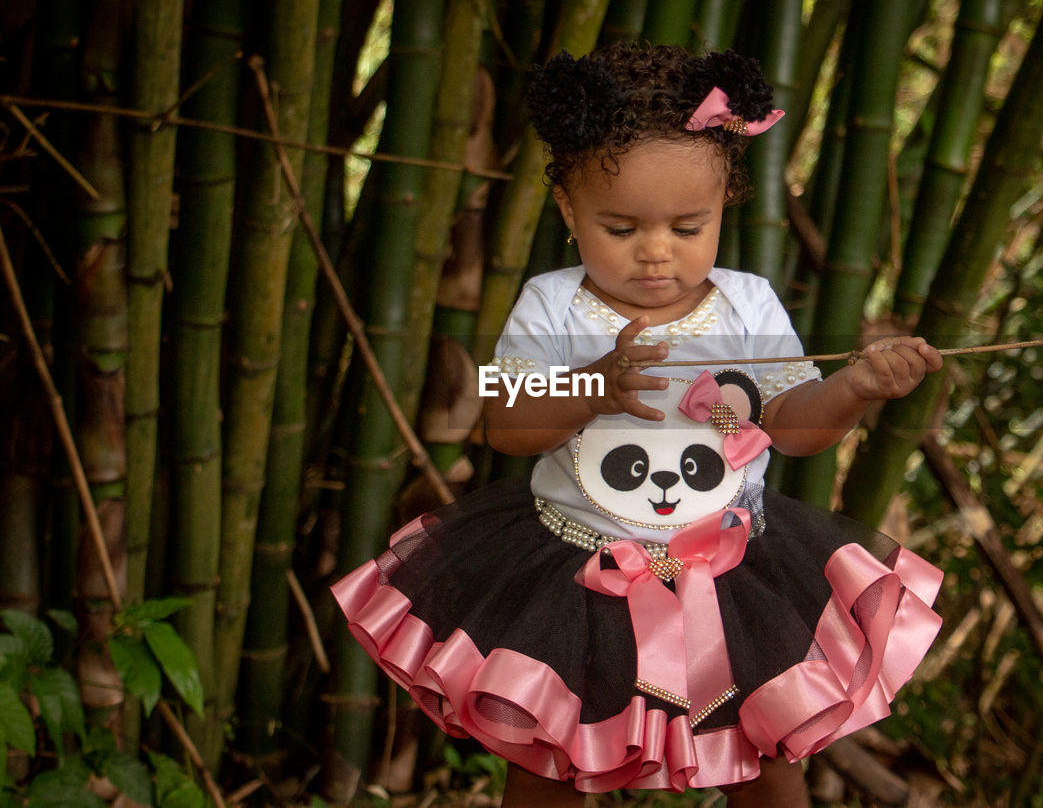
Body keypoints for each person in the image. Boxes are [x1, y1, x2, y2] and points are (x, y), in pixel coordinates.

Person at [333, 43, 946, 807]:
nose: (656, 253)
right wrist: (592, 387)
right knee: (549, 752)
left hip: (734, 575)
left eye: (688, 227)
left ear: (725, 203)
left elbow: (793, 425)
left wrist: (854, 388)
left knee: (768, 752)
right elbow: (504, 420)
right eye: (621, 229)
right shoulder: (551, 304)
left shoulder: (749, 304)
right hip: (573, 575)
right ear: (568, 210)